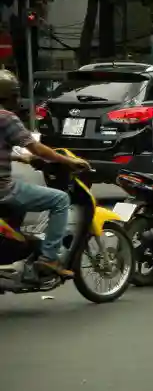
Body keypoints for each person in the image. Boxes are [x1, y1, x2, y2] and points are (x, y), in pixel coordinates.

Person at [0, 70, 90, 278]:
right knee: (60, 199)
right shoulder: (6, 117)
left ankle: (18, 249)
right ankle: (49, 258)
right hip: (3, 189)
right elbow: (37, 149)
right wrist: (69, 161)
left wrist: (16, 158)